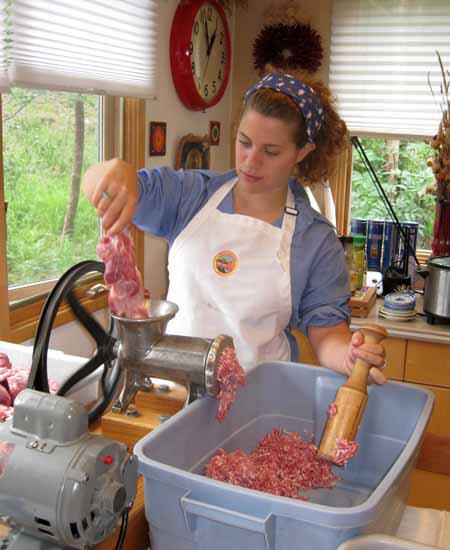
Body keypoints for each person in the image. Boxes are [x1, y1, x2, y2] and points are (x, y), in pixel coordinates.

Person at [82, 70, 386, 383]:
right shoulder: (190, 196)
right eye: (244, 142)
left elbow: (327, 334)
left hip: (256, 402)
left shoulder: (315, 240)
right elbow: (104, 185)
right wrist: (112, 171)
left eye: (270, 151)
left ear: (302, 152)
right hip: (173, 392)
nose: (250, 162)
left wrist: (350, 355)